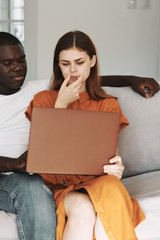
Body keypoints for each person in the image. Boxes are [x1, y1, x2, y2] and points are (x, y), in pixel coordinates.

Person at [0, 31, 158, 240]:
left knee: (37, 193)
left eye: (21, 60)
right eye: (8, 63)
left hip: (18, 179)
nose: (18, 68)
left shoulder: (40, 89)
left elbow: (82, 76)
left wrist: (133, 79)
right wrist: (15, 163)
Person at [25, 30, 145, 240]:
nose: (72, 70)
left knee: (110, 190)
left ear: (92, 61)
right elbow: (42, 154)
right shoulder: (43, 100)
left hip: (98, 184)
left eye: (79, 62)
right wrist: (60, 105)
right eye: (65, 63)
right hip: (58, 188)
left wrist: (116, 168)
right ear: (58, 65)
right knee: (84, 207)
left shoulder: (108, 105)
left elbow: (108, 157)